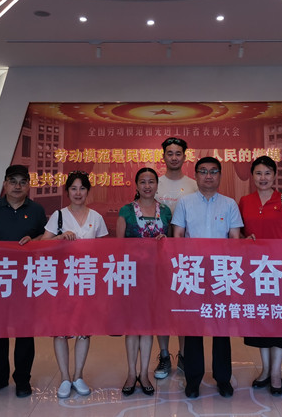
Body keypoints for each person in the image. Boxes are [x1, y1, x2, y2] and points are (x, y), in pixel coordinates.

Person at [172, 156, 243, 398]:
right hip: (193, 271)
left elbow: (235, 238)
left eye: (213, 171)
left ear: (220, 176)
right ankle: (193, 380)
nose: (208, 176)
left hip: (221, 272)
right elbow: (178, 236)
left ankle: (223, 378)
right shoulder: (185, 202)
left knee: (221, 327)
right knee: (193, 327)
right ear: (196, 176)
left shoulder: (229, 204)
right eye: (203, 171)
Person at [37, 170, 108, 399]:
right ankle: (65, 378)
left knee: (84, 330)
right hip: (61, 281)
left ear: (88, 191)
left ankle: (78, 375)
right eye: (74, 188)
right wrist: (60, 237)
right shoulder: (58, 216)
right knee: (60, 330)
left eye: (82, 188)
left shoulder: (96, 217)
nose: (78, 193)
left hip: (87, 280)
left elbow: (105, 250)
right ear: (67, 191)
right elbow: (42, 245)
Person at [0, 165, 47, 398]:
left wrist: (35, 239)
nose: (18, 186)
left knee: (24, 331)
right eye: (13, 181)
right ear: (5, 184)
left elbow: (44, 236)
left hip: (26, 277)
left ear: (29, 185)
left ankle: (22, 380)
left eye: (22, 181)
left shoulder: (36, 209)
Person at [239, 156, 282, 396]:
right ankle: (265, 370)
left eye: (267, 173)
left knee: (279, 321)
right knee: (260, 320)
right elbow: (239, 233)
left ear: (274, 175)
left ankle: (275, 373)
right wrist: (244, 239)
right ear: (252, 176)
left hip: (280, 271)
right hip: (254, 270)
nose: (262, 178)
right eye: (258, 173)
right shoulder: (245, 201)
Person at [116, 167, 171, 396]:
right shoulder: (126, 211)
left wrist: (165, 241)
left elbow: (172, 245)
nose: (147, 186)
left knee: (148, 326)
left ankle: (144, 373)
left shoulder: (165, 211)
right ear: (136, 185)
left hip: (157, 276)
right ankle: (131, 373)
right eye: (143, 182)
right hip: (132, 276)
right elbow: (118, 246)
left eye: (151, 182)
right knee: (132, 327)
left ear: (157, 185)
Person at [154, 137, 197, 378]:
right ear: (163, 157)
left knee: (183, 306)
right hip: (158, 256)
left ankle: (184, 354)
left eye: (178, 153)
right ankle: (163, 355)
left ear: (184, 156)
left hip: (185, 256)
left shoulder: (193, 185)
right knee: (161, 306)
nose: (173, 157)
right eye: (169, 153)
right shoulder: (154, 183)